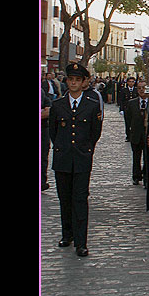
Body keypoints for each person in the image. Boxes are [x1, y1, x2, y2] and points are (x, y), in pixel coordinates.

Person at [49, 63, 103, 257]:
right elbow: (54, 133)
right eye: (71, 80)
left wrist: (85, 150)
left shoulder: (92, 106)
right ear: (67, 82)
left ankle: (81, 241)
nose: (73, 83)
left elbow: (94, 133)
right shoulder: (58, 105)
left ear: (83, 83)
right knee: (65, 198)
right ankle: (67, 234)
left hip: (81, 159)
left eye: (77, 80)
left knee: (80, 199)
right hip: (63, 158)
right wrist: (63, 148)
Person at [126, 79, 149, 185]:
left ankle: (146, 176)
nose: (141, 90)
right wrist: (129, 133)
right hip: (136, 134)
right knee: (136, 157)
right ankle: (136, 176)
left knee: (147, 157)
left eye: (143, 88)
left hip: (147, 135)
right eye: (139, 88)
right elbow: (128, 120)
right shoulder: (132, 103)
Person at [119, 76, 138, 141]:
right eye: (130, 82)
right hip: (127, 109)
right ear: (127, 82)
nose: (131, 83)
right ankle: (128, 136)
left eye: (132, 82)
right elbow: (121, 100)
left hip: (135, 109)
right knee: (127, 123)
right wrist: (121, 109)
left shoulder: (136, 90)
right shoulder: (124, 90)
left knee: (135, 122)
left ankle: (134, 135)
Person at [41, 88, 52, 191]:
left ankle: (42, 181)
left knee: (43, 155)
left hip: (43, 129)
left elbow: (48, 112)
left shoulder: (43, 94)